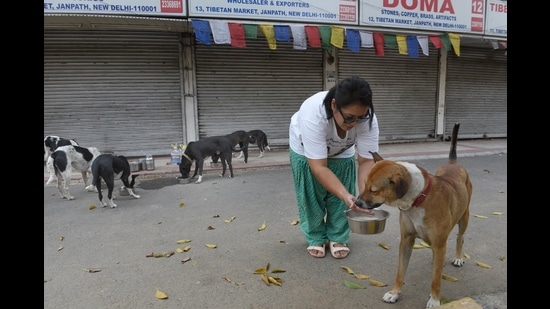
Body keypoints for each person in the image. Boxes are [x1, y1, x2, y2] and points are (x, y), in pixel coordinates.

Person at [288, 76, 379, 259]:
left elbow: (367, 161)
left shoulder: (367, 119)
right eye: (349, 118)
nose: (354, 123)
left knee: (342, 198)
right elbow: (319, 167)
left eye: (361, 117)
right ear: (334, 105)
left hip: (342, 150)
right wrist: (346, 195)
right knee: (311, 196)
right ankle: (315, 237)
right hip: (306, 150)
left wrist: (363, 196)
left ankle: (338, 237)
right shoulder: (313, 114)